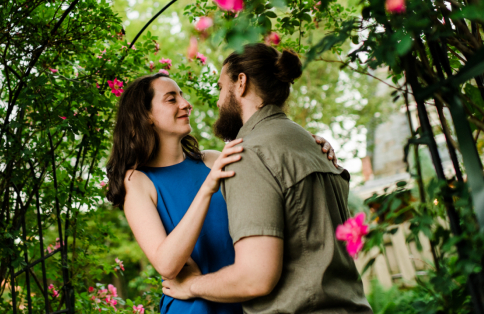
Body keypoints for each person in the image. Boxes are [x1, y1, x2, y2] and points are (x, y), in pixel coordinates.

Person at [105, 69, 339, 314]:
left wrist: (309, 144)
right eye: (172, 99)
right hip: (192, 308)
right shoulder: (137, 181)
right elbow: (167, 264)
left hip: (246, 303)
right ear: (146, 116)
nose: (186, 104)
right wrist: (207, 189)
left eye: (182, 96)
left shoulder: (213, 160)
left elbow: (268, 158)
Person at [162, 44, 373, 314]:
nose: (217, 101)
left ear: (241, 83)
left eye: (220, 88)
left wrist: (191, 286)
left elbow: (255, 277)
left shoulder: (248, 154)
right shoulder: (310, 143)